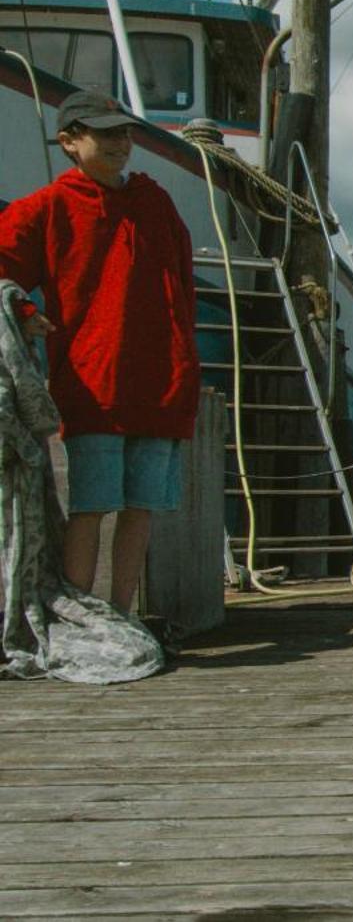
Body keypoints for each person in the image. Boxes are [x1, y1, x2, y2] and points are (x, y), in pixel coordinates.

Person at [0, 90, 200, 609]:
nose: (119, 142)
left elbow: (183, 284)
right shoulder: (46, 206)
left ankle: (123, 613)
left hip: (163, 384)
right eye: (103, 133)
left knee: (141, 508)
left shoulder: (155, 201)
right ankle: (80, 614)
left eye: (124, 132)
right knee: (91, 506)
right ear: (68, 141)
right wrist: (22, 312)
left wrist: (184, 359)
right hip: (93, 383)